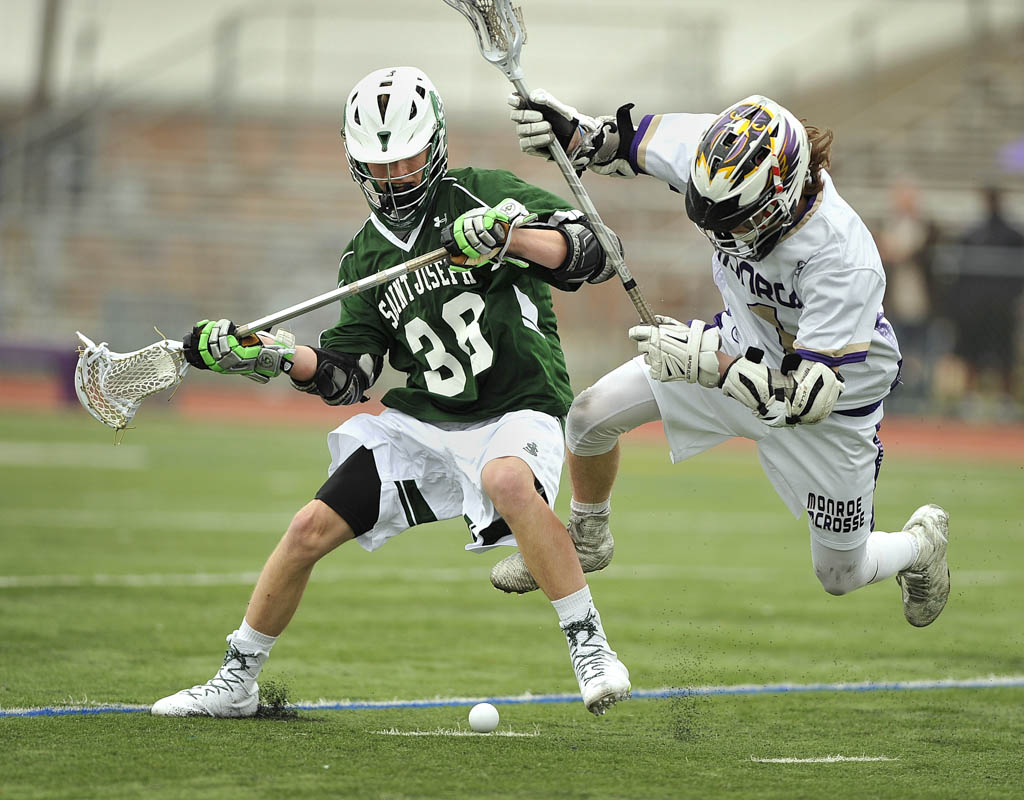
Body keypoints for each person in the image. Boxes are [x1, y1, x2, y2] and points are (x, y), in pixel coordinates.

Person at [150, 66, 630, 718]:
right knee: (308, 528)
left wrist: (505, 237)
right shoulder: (366, 258)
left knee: (508, 481)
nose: (396, 176)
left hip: (518, 403)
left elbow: (595, 252)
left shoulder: (483, 194)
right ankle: (237, 679)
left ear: (434, 147)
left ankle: (591, 647)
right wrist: (262, 355)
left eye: (407, 159)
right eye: (379, 165)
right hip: (428, 422)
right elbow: (348, 375)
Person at [489, 91, 951, 629]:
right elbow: (616, 143)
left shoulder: (845, 261)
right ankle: (588, 538)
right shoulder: (719, 159)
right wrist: (568, 136)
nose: (722, 235)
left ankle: (920, 547)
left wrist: (709, 363)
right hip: (735, 346)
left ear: (784, 192)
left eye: (738, 220)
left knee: (840, 574)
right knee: (589, 416)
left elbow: (805, 400)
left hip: (831, 407)